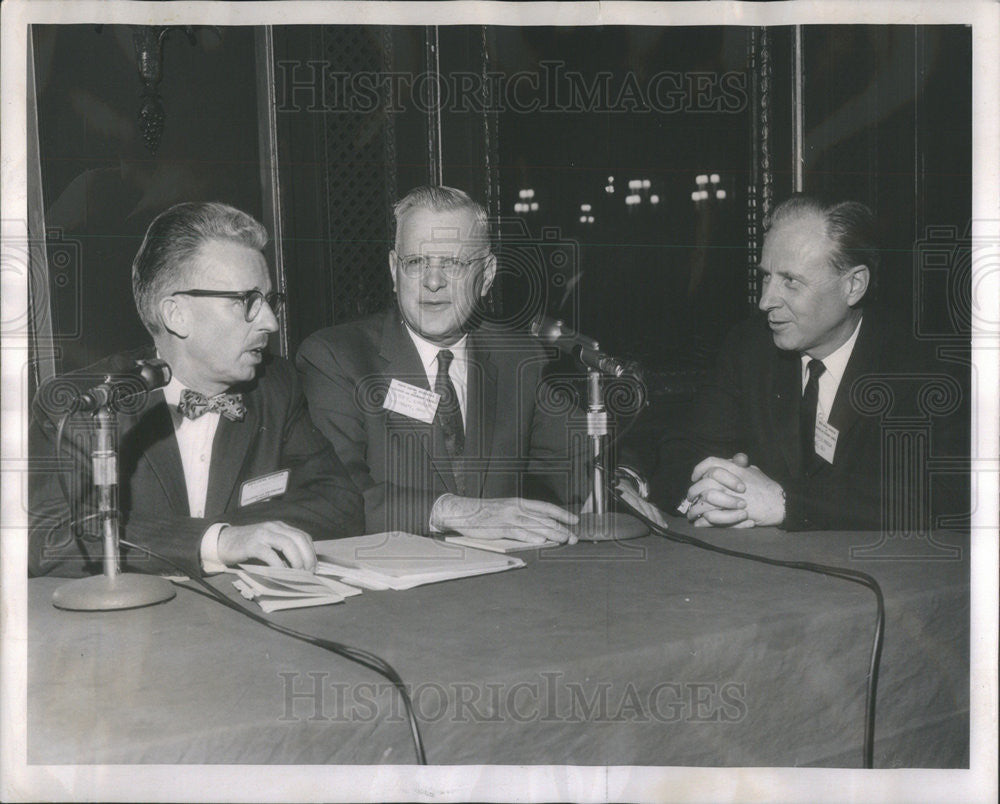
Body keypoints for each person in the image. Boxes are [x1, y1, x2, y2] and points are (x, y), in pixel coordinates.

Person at [29, 202, 364, 577]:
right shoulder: (81, 403)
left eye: (270, 301)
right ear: (176, 314)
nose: (269, 322)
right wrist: (215, 541)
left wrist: (233, 535)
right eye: (246, 301)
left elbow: (340, 504)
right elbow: (48, 538)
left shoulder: (276, 386)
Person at [638, 195, 967, 531]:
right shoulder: (750, 345)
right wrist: (722, 493)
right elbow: (684, 450)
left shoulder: (924, 367)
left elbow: (950, 497)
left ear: (853, 285)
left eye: (790, 282)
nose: (766, 301)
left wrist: (785, 501)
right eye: (766, 277)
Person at [296, 185, 584, 544]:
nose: (433, 282)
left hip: (510, 586)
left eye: (453, 263)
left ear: (488, 275)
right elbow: (338, 497)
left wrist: (621, 481)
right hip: (393, 585)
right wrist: (455, 512)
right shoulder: (337, 357)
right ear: (392, 269)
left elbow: (579, 461)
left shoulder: (518, 356)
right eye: (416, 262)